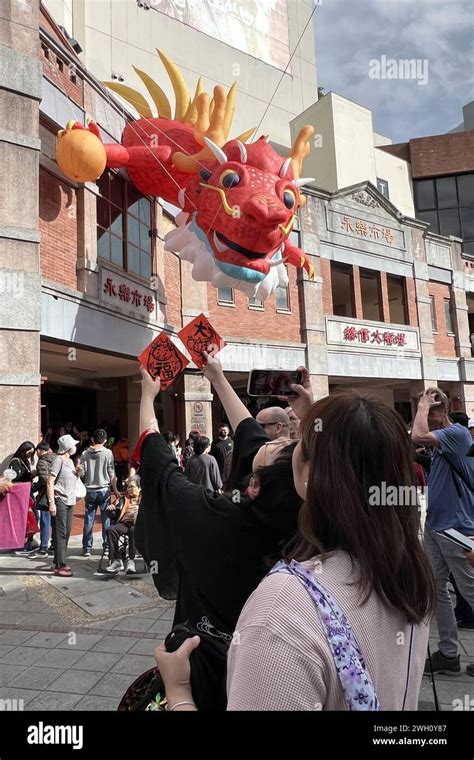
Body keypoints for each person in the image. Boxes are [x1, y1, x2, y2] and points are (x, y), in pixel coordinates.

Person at [155, 390, 436, 711]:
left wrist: (178, 693)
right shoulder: (409, 572)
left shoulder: (281, 611)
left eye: (295, 447)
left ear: (307, 474)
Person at [134, 352, 307, 632]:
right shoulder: (298, 520)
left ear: (254, 485)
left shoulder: (214, 516)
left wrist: (147, 395)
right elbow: (250, 432)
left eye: (278, 447)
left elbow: (160, 464)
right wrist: (218, 377)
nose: (281, 441)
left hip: (203, 645)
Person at [412, 388, 474, 676]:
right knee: (437, 590)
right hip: (435, 526)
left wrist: (423, 405)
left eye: (432, 413)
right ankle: (449, 654)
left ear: (443, 411)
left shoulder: (458, 434)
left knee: (470, 591)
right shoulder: (440, 444)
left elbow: (417, 436)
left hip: (457, 528)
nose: (428, 419)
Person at [46, 434, 82, 577]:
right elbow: (50, 481)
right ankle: (61, 565)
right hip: (59, 500)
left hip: (70, 501)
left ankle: (56, 562)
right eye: (73, 444)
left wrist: (78, 472)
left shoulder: (71, 461)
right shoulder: (58, 460)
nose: (75, 447)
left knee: (66, 532)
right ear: (67, 447)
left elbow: (71, 479)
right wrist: (51, 503)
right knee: (60, 532)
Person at [80, 429, 119, 557]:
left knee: (89, 519)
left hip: (90, 490)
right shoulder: (108, 453)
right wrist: (115, 489)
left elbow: (82, 473)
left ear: (92, 439)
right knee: (106, 519)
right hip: (103, 490)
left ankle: (87, 548)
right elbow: (111, 473)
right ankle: (107, 546)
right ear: (105, 441)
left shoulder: (85, 454)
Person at [106, 477, 141, 574]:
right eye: (128, 487)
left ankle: (131, 560)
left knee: (134, 530)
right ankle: (116, 560)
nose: (129, 489)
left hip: (138, 525)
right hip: (124, 523)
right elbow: (114, 514)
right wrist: (111, 509)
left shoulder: (143, 500)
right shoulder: (123, 499)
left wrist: (140, 511)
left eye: (132, 487)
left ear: (139, 488)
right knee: (111, 530)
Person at [9, 441, 37, 554]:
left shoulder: (26, 461)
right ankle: (23, 543)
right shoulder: (15, 461)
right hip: (20, 495)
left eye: (31, 453)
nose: (29, 455)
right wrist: (30, 475)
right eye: (28, 452)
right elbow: (14, 477)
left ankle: (28, 542)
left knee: (33, 518)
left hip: (28, 493)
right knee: (24, 519)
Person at [31, 441, 58, 558]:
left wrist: (32, 488)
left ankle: (43, 548)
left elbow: (44, 480)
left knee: (45, 521)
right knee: (55, 522)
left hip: (47, 495)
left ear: (40, 450)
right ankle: (54, 545)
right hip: (59, 494)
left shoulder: (42, 461)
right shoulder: (57, 458)